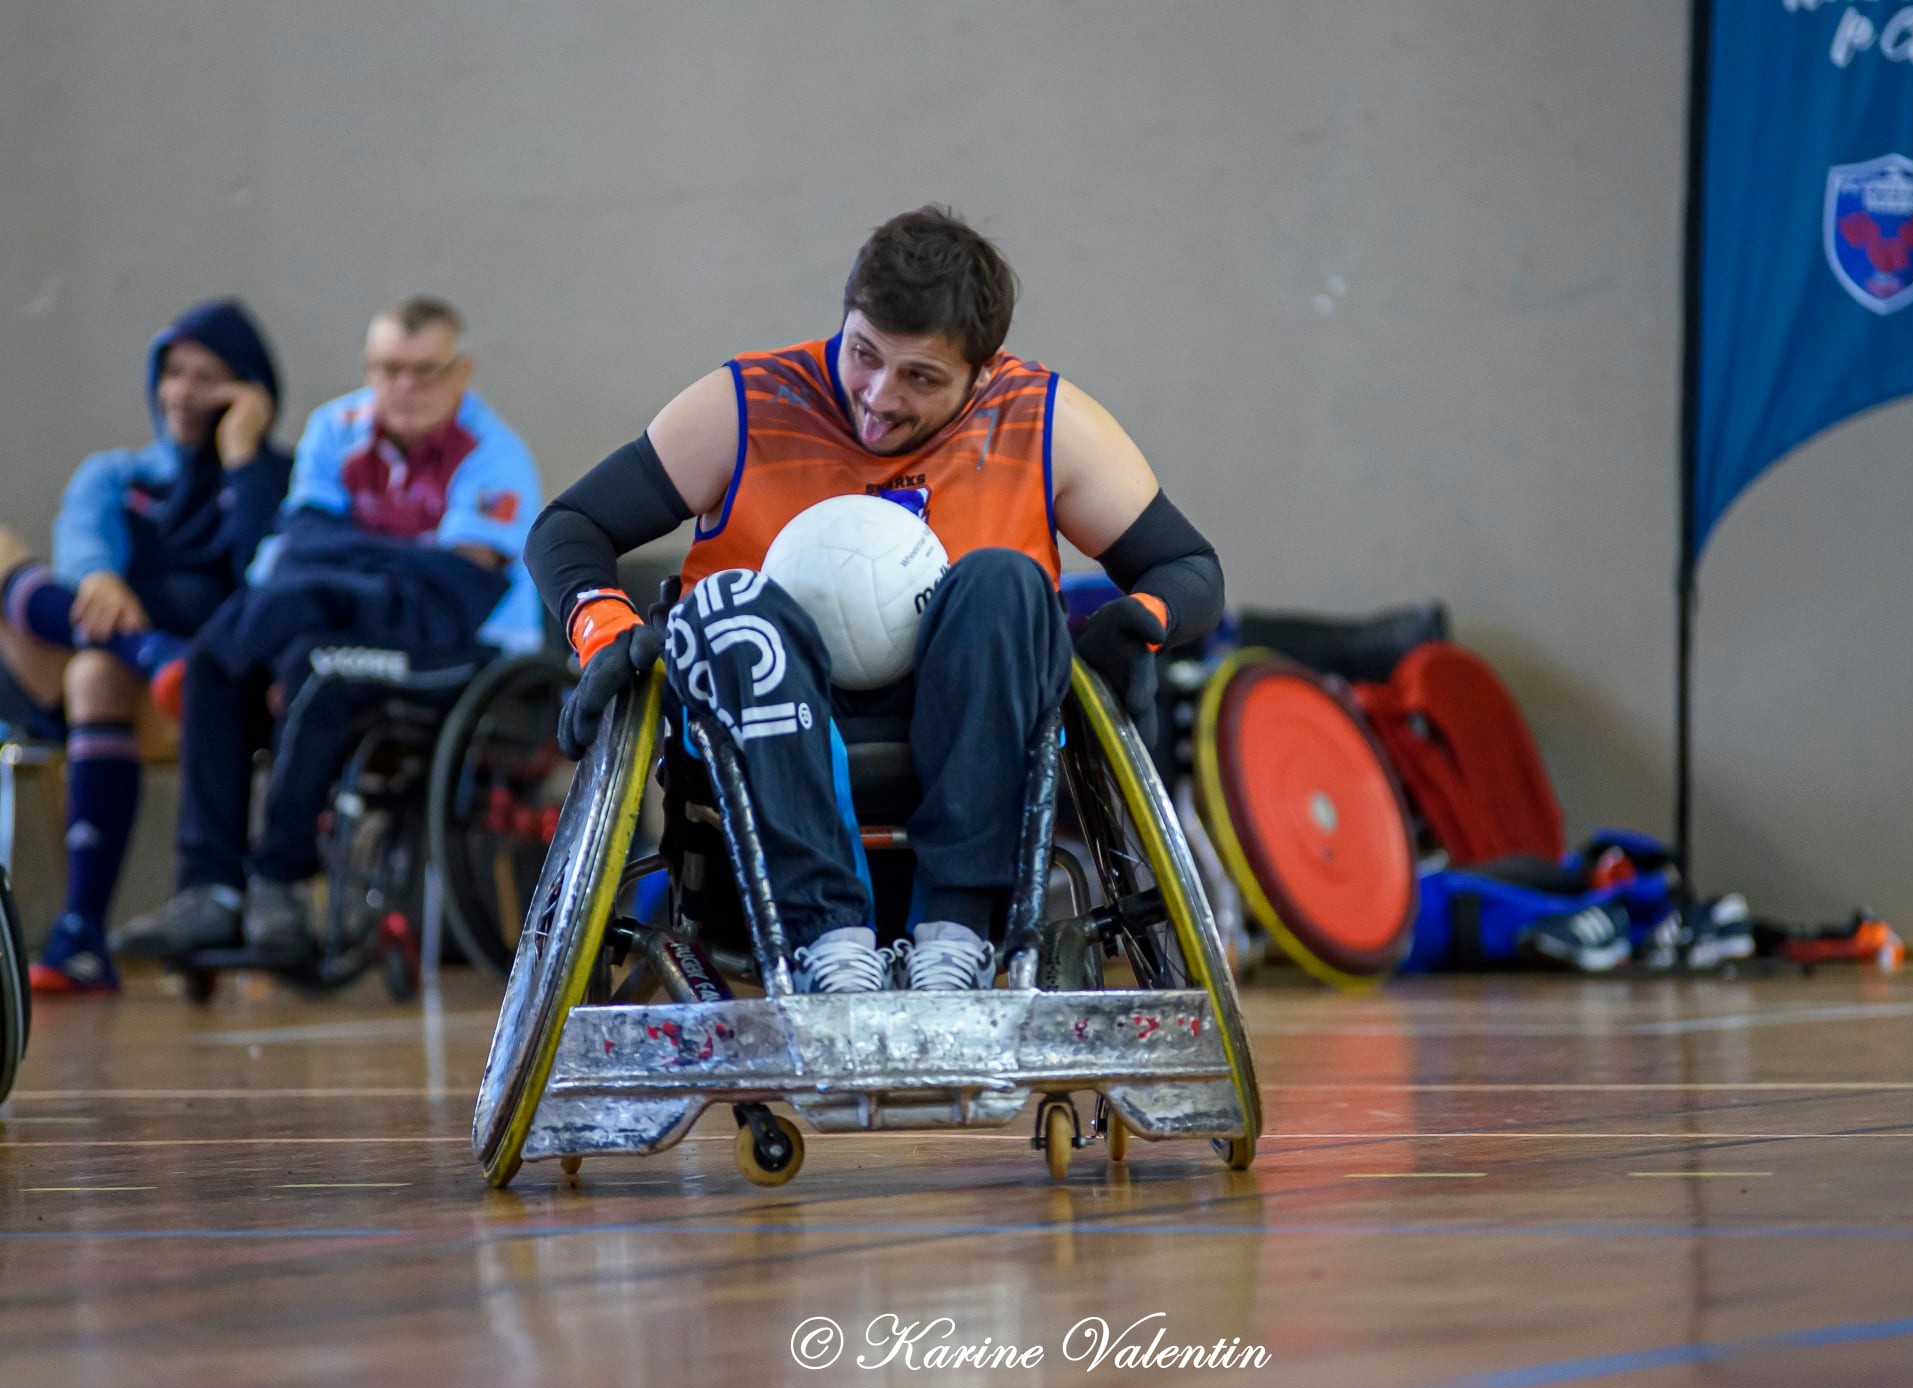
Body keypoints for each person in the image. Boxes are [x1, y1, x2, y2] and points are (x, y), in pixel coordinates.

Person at [525, 206, 1224, 994]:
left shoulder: (1043, 420)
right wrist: (603, 628)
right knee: (728, 604)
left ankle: (954, 934)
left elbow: (1184, 564)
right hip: (765, 720)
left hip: (967, 724)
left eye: (920, 377)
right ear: (846, 322)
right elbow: (570, 525)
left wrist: (1142, 623)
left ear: (983, 374)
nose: (878, 396)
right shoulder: (748, 402)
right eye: (864, 355)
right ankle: (828, 946)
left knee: (1006, 579)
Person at [113, 296, 542, 962]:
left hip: (473, 653)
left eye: (424, 370)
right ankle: (210, 890)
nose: (404, 386)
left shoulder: (495, 455)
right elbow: (295, 544)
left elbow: (454, 593)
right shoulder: (333, 428)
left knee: (318, 661)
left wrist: (342, 553)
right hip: (355, 626)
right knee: (214, 661)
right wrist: (401, 559)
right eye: (387, 368)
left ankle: (279, 884)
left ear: (461, 373)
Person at [0, 300, 290, 993]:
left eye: (210, 377)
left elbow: (266, 579)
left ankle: (80, 932)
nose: (185, 394)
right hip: (108, 675)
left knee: (99, 671)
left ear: (251, 388)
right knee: (94, 658)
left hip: (217, 701)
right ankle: (153, 652)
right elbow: (82, 541)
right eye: (174, 373)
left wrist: (244, 455)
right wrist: (97, 578)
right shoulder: (119, 474)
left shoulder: (280, 478)